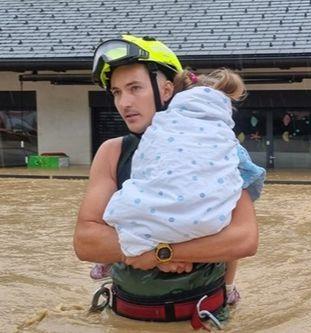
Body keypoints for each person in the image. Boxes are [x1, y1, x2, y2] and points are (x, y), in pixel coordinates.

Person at [74, 35, 259, 329]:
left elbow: (244, 238)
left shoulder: (219, 148)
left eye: (135, 88)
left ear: (167, 89)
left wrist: (162, 253)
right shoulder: (113, 152)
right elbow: (86, 241)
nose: (125, 102)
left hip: (202, 318)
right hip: (126, 318)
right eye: (116, 92)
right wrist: (160, 255)